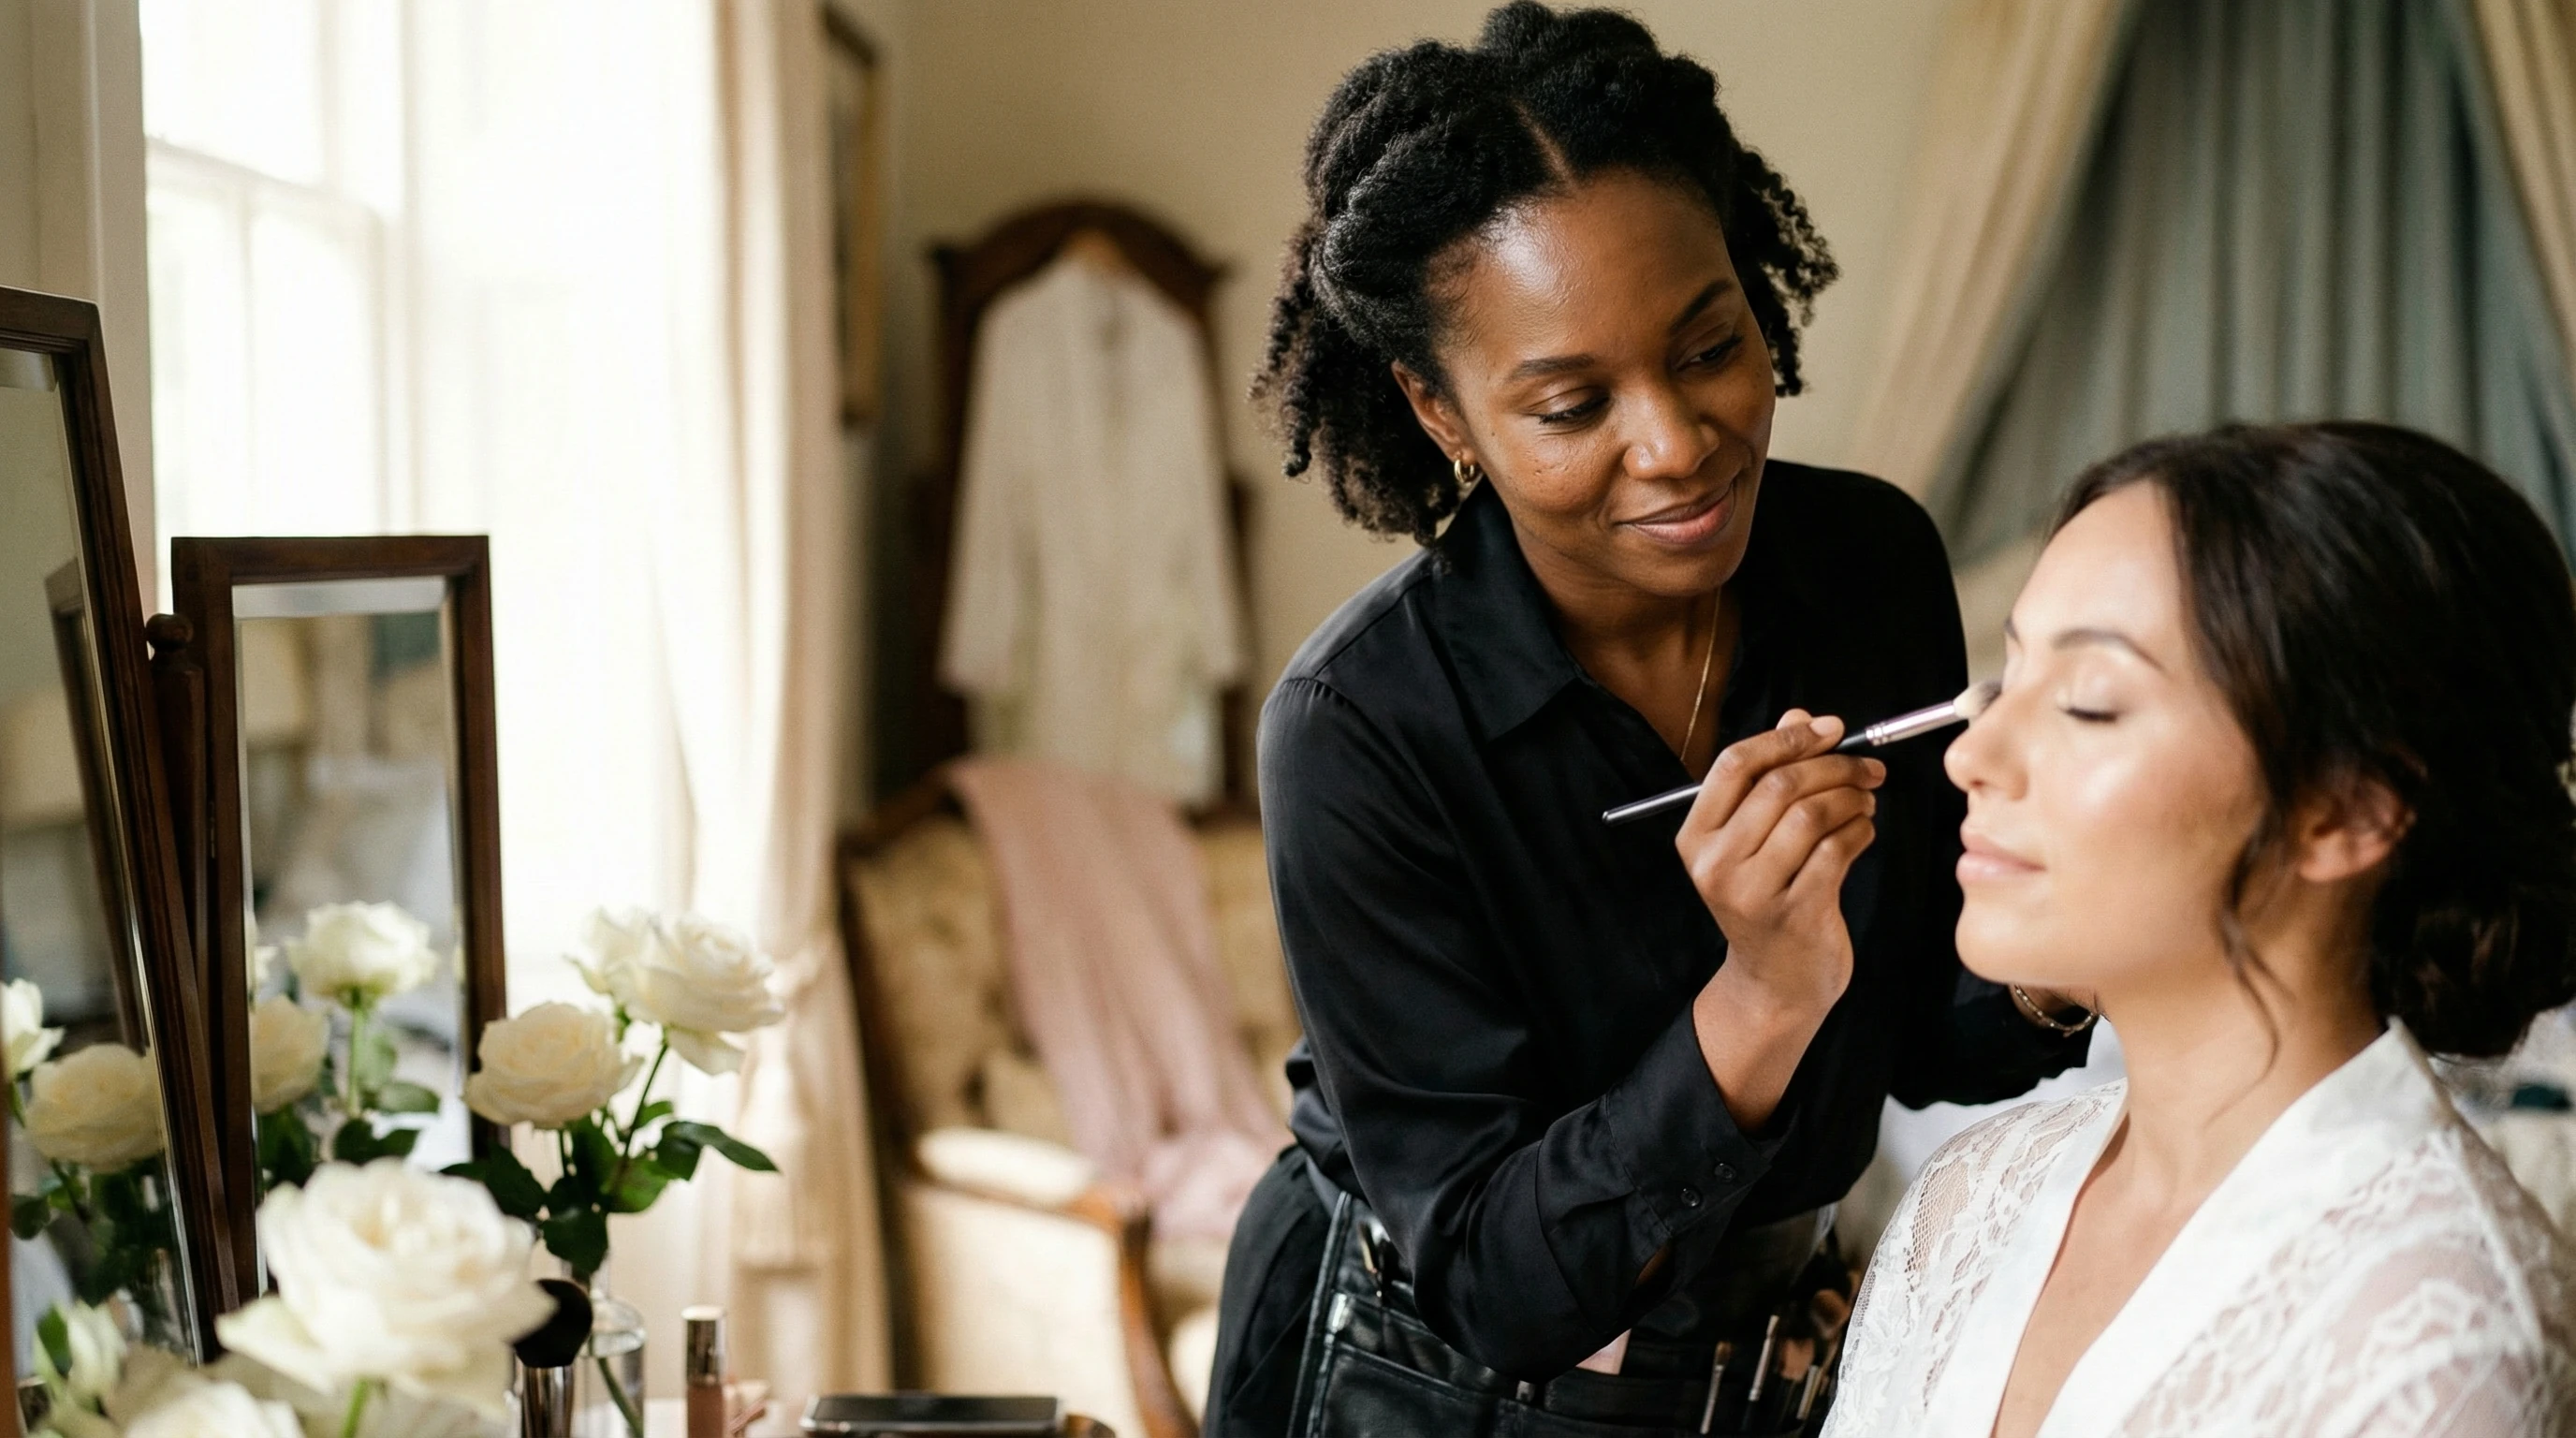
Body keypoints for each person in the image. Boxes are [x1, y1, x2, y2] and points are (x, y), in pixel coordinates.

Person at [1207, 6, 2098, 1432]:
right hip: (1415, 1380)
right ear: (1441, 411)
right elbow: (1501, 1286)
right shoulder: (1359, 728)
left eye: (1708, 347)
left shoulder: (1869, 567)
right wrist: (1760, 996)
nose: (1678, 444)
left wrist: (2077, 938)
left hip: (1755, 1366)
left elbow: (1937, 1030)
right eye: (1570, 405)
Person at [1825, 422, 2576, 1437]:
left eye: (2088, 703)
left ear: (2345, 809)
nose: (1972, 753)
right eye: (2005, 678)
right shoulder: (1969, 1202)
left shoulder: (2435, 1333)